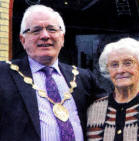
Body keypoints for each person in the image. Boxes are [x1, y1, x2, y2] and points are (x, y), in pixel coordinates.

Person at [0, 4, 106, 141]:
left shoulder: (83, 78)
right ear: (23, 40)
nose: (45, 36)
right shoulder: (3, 74)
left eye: (51, 29)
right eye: (36, 30)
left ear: (62, 38)